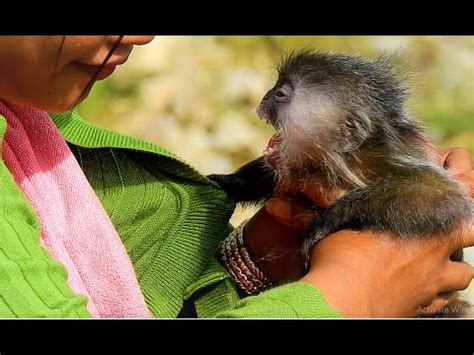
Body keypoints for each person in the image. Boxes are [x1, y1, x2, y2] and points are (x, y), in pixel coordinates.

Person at [0, 35, 472, 318]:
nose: (141, 37)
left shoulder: (33, 129)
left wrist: (263, 257)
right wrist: (352, 289)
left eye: (282, 96)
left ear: (350, 128)